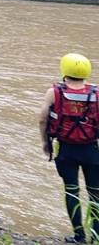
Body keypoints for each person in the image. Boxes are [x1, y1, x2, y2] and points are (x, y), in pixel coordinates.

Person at [40, 53, 99, 243]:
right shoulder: (96, 93)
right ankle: (96, 236)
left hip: (66, 150)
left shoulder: (54, 92)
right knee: (95, 193)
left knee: (71, 190)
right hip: (91, 151)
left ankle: (79, 236)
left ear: (64, 70)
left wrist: (45, 143)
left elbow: (42, 119)